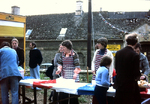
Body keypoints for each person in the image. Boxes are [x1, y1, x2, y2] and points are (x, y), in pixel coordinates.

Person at [114, 33, 141, 104]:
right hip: (129, 84)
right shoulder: (134, 55)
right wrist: (138, 77)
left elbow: (116, 67)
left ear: (127, 42)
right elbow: (136, 72)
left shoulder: (118, 53)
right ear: (135, 44)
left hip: (119, 82)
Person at [56, 40, 81, 104]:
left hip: (73, 77)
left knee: (73, 96)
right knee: (63, 94)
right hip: (64, 76)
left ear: (67, 47)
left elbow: (77, 66)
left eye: (63, 47)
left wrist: (75, 74)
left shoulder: (74, 54)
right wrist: (59, 69)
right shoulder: (62, 55)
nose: (62, 49)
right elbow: (60, 63)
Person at [91, 37, 114, 104]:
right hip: (96, 74)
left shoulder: (109, 53)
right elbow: (93, 61)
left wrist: (110, 76)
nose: (97, 45)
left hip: (105, 75)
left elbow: (111, 65)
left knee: (104, 94)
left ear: (103, 44)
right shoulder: (96, 52)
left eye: (99, 43)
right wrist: (93, 69)